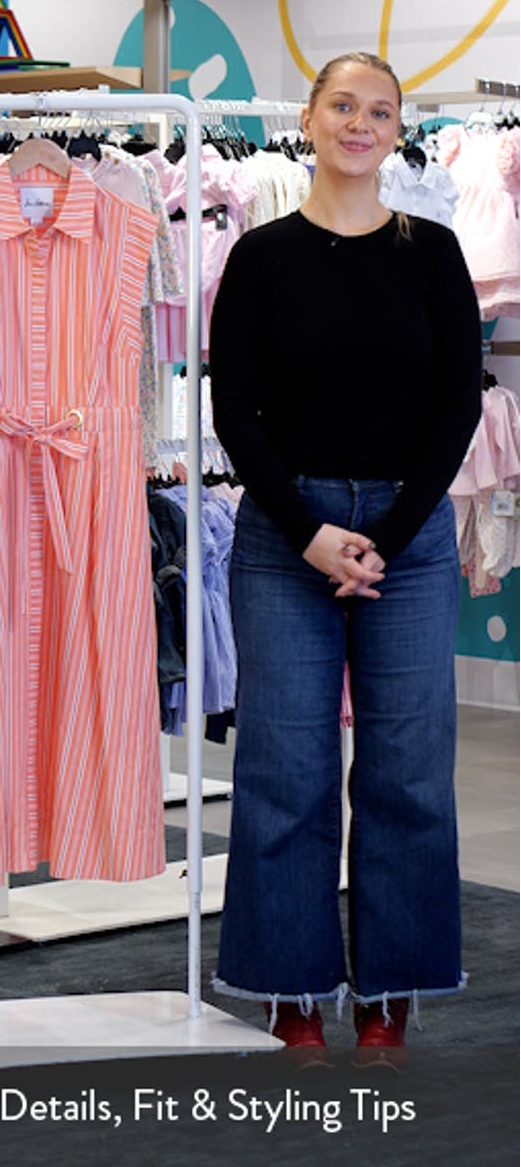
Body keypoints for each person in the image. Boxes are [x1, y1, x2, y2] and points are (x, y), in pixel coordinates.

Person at [209, 52, 482, 1063]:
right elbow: (235, 412)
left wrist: (388, 538)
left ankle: (391, 989)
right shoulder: (261, 255)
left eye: (380, 110)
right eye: (343, 106)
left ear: (397, 129)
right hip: (288, 536)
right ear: (310, 120)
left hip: (406, 541)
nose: (360, 124)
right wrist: (313, 532)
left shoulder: (437, 254)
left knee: (410, 771)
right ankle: (292, 990)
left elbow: (459, 405)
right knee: (286, 764)